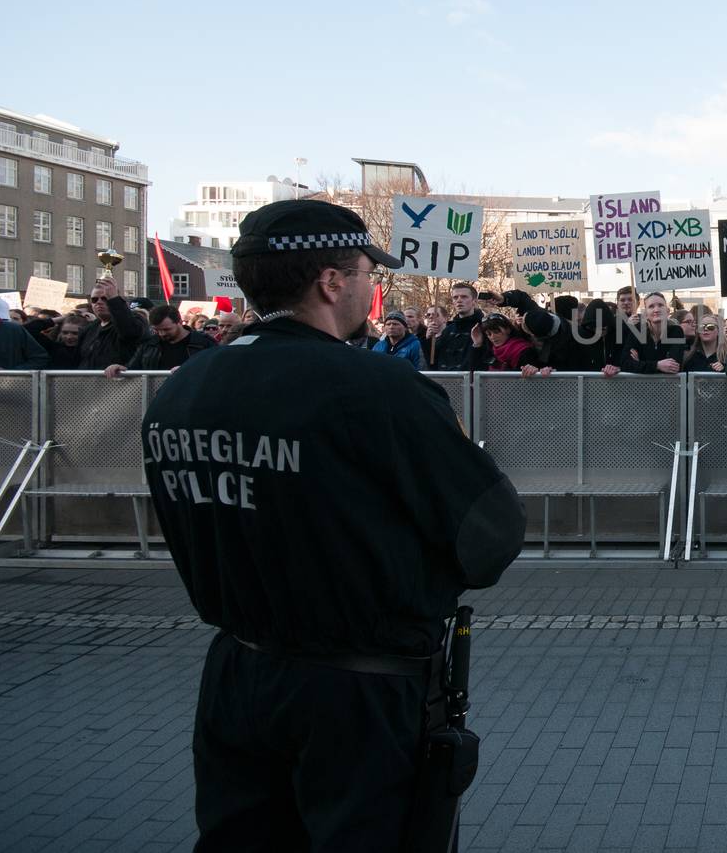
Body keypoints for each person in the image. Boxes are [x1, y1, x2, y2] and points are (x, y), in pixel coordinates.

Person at [141, 198, 525, 850]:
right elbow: (489, 536)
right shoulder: (377, 388)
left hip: (237, 677)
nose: (374, 286)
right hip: (360, 694)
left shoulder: (182, 388)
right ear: (331, 280)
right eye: (367, 271)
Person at [110, 304, 217, 374]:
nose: (162, 334)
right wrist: (121, 369)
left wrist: (188, 370)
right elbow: (133, 369)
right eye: (157, 330)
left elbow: (216, 370)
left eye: (166, 329)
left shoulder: (204, 343)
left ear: (179, 322)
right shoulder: (149, 345)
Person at [76, 275, 149, 370]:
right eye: (94, 300)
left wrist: (114, 300)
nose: (99, 302)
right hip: (88, 382)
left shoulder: (135, 319)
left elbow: (129, 331)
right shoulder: (90, 328)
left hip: (118, 382)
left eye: (105, 298)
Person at [620, 292, 684, 374]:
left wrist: (640, 363)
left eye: (660, 305)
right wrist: (657, 365)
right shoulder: (637, 331)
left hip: (668, 385)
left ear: (667, 311)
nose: (656, 310)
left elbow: (673, 367)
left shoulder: (676, 331)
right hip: (641, 385)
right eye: (651, 306)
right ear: (645, 314)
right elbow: (625, 364)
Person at [431, 283, 491, 371]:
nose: (459, 300)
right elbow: (433, 361)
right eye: (455, 297)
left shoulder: (484, 327)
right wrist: (428, 340)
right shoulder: (448, 330)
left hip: (471, 381)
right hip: (446, 381)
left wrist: (478, 346)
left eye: (464, 297)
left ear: (474, 301)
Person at [681, 308, 727, 372]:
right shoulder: (689, 358)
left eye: (710, 327)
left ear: (718, 331)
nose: (706, 329)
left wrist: (725, 369)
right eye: (701, 327)